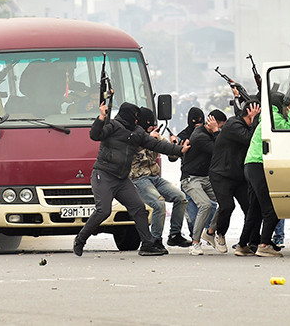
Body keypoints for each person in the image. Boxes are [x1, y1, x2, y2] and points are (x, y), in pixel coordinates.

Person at [73, 102, 188, 257]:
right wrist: (101, 117)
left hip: (122, 179)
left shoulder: (137, 132)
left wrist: (180, 150)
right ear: (127, 115)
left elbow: (156, 145)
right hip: (104, 175)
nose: (136, 120)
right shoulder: (112, 126)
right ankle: (80, 240)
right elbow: (95, 134)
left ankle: (147, 245)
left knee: (139, 209)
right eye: (135, 117)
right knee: (103, 211)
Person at [240, 92, 290, 257]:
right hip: (259, 165)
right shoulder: (273, 116)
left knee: (255, 209)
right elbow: (288, 129)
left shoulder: (266, 115)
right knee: (271, 210)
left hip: (251, 165)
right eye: (286, 106)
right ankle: (264, 245)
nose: (287, 109)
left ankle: (242, 245)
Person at [131, 107, 191, 250]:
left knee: (180, 198)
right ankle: (155, 240)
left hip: (154, 177)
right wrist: (148, 140)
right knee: (159, 205)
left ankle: (175, 235)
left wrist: (175, 145)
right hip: (139, 178)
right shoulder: (133, 135)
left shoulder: (155, 136)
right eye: (149, 125)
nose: (152, 128)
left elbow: (171, 156)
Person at [208, 101, 258, 253]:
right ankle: (219, 234)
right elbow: (250, 139)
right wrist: (255, 119)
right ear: (250, 113)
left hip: (238, 175)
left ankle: (250, 241)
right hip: (221, 174)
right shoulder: (233, 125)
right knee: (228, 206)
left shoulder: (243, 125)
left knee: (250, 208)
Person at [180, 109, 223, 255]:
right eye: (219, 127)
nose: (220, 130)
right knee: (205, 205)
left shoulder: (210, 134)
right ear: (211, 123)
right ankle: (195, 243)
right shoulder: (199, 136)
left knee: (225, 202)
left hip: (206, 178)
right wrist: (217, 131)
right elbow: (219, 150)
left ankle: (210, 232)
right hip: (191, 178)